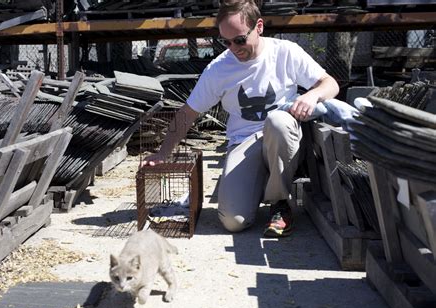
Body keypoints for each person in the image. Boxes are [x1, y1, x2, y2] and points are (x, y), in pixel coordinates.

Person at [143, 0, 339, 237]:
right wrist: (164, 152)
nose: (233, 48)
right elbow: (188, 113)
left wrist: (313, 95)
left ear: (259, 27)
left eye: (239, 40)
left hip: (282, 133)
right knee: (233, 222)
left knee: (277, 121)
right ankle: (259, 182)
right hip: (244, 141)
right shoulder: (219, 69)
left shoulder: (285, 52)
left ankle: (280, 203)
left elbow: (330, 84)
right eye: (225, 42)